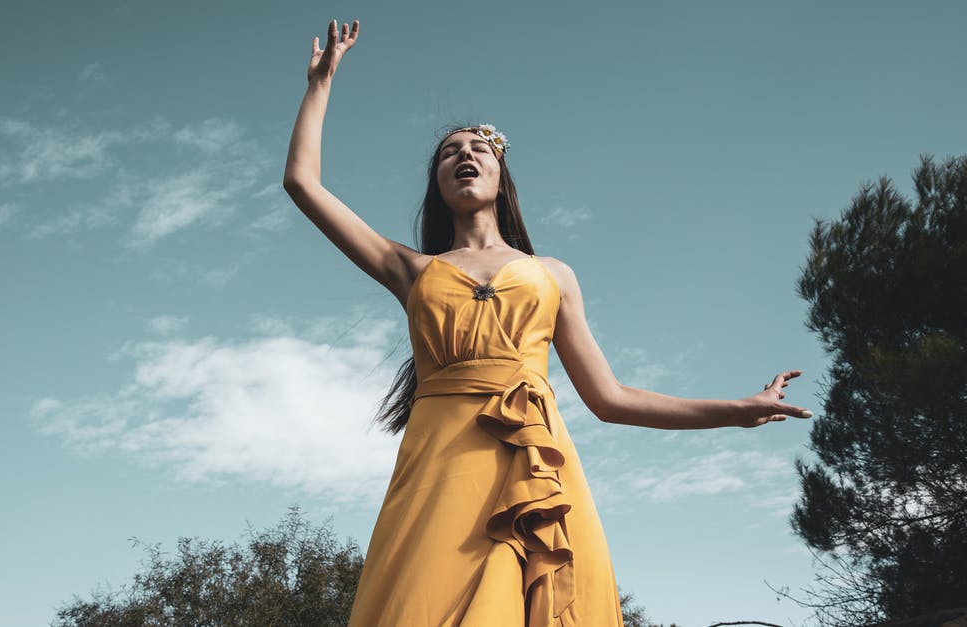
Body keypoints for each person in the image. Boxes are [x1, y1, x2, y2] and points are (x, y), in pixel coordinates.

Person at [282, 19, 813, 627]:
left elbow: (611, 399)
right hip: (440, 463)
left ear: (500, 175)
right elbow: (302, 183)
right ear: (437, 183)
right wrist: (320, 85)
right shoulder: (412, 270)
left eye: (478, 148)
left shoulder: (552, 274)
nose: (465, 156)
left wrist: (737, 410)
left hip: (536, 461)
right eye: (450, 152)